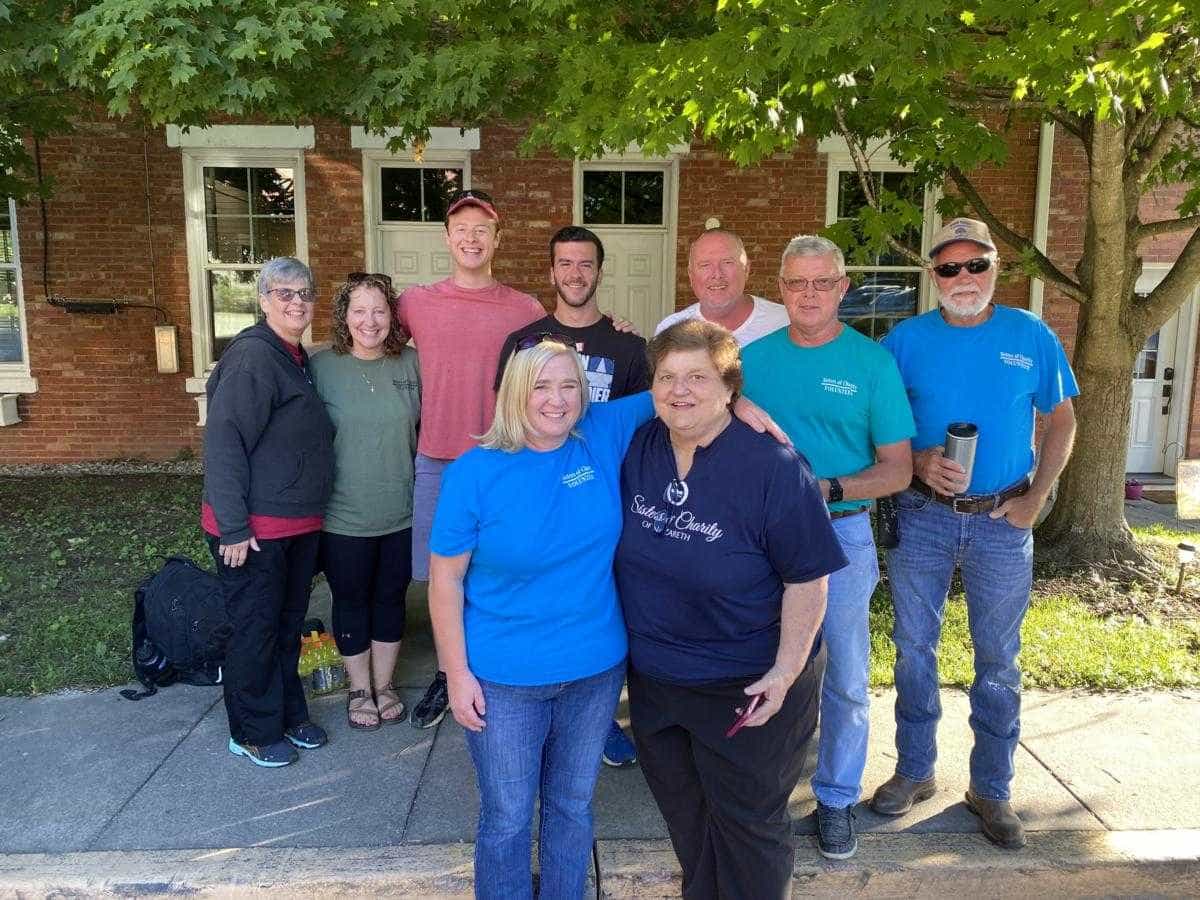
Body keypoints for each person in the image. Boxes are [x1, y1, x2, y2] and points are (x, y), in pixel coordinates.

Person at [615, 320, 848, 899]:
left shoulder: (772, 466)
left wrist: (785, 670)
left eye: (698, 377)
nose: (679, 390)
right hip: (658, 684)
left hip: (747, 686)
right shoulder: (640, 443)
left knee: (749, 831)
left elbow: (808, 578)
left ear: (731, 390)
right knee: (689, 822)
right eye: (667, 377)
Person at [873, 217, 1078, 850]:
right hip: (924, 517)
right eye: (949, 268)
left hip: (1002, 519)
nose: (964, 278)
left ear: (996, 268)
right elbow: (881, 425)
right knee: (914, 649)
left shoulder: (1030, 334)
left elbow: (1063, 418)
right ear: (932, 275)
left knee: (997, 659)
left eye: (976, 265)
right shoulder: (904, 339)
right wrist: (919, 462)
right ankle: (915, 769)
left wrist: (1037, 499)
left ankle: (991, 788)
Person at [741, 235, 914, 859]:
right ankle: (759, 797)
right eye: (796, 283)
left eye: (822, 282)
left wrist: (827, 486)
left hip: (840, 530)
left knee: (843, 672)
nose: (808, 294)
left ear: (843, 287)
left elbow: (897, 468)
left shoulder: (873, 364)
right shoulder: (749, 360)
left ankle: (837, 799)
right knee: (762, 664)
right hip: (759, 541)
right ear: (780, 288)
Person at [496, 224, 647, 768]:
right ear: (552, 270)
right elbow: (507, 419)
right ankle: (539, 708)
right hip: (539, 498)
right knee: (543, 597)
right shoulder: (524, 343)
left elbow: (646, 419)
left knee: (603, 601)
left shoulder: (628, 345)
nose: (575, 273)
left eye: (585, 264)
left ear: (598, 271)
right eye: (565, 263)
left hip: (605, 498)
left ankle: (599, 716)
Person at [395, 188, 545, 729]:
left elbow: (561, 358)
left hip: (503, 458)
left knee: (502, 567)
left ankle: (499, 665)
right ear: (447, 238)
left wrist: (616, 327)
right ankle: (447, 672)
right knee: (441, 574)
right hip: (439, 459)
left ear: (496, 239)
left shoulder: (525, 309)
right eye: (462, 228)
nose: (472, 237)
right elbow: (363, 332)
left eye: (482, 228)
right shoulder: (415, 303)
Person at [201, 256, 334, 768]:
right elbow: (225, 442)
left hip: (296, 524)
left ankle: (288, 714)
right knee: (255, 630)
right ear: (262, 299)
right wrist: (233, 526)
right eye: (285, 293)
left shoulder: (293, 356)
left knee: (286, 626)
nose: (297, 302)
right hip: (253, 530)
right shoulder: (253, 358)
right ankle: (253, 731)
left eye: (305, 293)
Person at [311, 273, 420, 730]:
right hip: (343, 515)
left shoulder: (412, 364)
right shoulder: (322, 368)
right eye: (359, 310)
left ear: (392, 316)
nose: (369, 321)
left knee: (391, 598)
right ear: (344, 316)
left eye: (379, 310)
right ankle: (359, 689)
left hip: (402, 510)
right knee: (351, 599)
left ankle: (386, 684)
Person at [655, 227, 789, 346]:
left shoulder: (786, 323)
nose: (717, 274)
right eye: (705, 265)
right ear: (691, 275)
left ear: (746, 269)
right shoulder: (670, 331)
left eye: (727, 262)